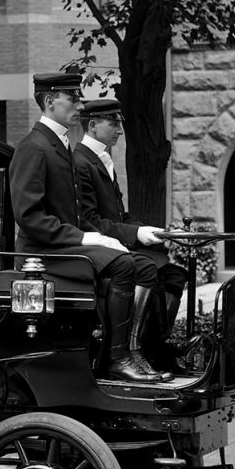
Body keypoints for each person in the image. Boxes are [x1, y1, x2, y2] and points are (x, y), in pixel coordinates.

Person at [9, 72, 168, 382]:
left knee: (145, 268)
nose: (79, 106)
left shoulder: (58, 144)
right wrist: (86, 237)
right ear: (51, 101)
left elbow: (74, 210)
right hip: (41, 253)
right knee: (123, 265)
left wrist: (96, 237)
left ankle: (134, 351)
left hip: (63, 245)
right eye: (73, 99)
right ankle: (116, 358)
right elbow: (29, 216)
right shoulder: (35, 147)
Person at [74, 99, 189, 370]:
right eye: (113, 123)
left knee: (174, 274)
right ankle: (130, 352)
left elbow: (120, 216)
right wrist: (136, 232)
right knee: (148, 268)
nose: (120, 130)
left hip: (115, 242)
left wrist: (155, 232)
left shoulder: (101, 160)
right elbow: (89, 221)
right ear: (92, 125)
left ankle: (158, 348)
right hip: (97, 249)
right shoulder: (81, 163)